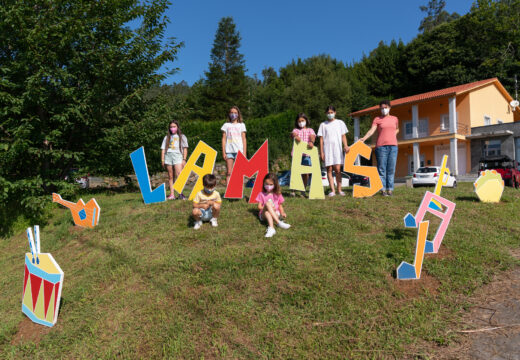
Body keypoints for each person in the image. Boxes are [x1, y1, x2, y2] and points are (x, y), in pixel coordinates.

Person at [359, 100, 399, 196]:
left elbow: (397, 128)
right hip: (381, 147)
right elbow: (372, 130)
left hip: (393, 146)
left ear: (389, 107)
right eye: (382, 108)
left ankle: (390, 189)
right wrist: (364, 138)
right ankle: (383, 190)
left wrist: (394, 134)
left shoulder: (395, 119)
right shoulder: (377, 119)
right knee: (382, 169)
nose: (384, 109)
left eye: (385, 107)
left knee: (391, 169)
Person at [318, 106, 349, 197]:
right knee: (329, 169)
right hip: (327, 150)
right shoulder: (323, 125)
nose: (330, 114)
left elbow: (343, 136)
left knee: (338, 169)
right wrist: (322, 152)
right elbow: (321, 139)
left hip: (337, 150)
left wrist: (346, 145)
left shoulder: (340, 123)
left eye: (331, 112)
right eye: (328, 113)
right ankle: (332, 190)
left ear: (335, 112)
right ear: (326, 114)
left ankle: (339, 189)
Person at [256, 173, 291, 238]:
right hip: (263, 214)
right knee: (267, 205)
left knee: (268, 212)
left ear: (275, 184)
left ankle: (271, 228)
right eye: (266, 184)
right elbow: (259, 206)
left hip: (275, 213)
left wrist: (282, 212)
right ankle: (279, 222)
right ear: (263, 183)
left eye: (271, 184)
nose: (268, 186)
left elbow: (280, 205)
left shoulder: (277, 194)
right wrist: (267, 207)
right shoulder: (261, 194)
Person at [161, 120, 188, 200]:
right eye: (171, 127)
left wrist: (184, 159)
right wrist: (162, 160)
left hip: (178, 156)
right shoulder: (166, 137)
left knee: (179, 175)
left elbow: (185, 148)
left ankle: (180, 193)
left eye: (174, 126)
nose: (172, 128)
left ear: (177, 127)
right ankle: (172, 194)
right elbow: (163, 149)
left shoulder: (182, 137)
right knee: (170, 176)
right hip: (168, 156)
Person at [291, 113, 316, 197]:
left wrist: (311, 142)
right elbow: (293, 134)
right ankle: (293, 190)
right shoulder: (296, 130)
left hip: (307, 154)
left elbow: (312, 136)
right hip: (297, 154)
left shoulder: (310, 130)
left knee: (306, 173)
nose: (301, 122)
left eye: (302, 120)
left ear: (306, 121)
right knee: (296, 172)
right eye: (299, 121)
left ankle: (303, 190)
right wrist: (295, 136)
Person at [221, 106, 247, 185]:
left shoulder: (242, 125)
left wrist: (244, 153)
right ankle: (228, 191)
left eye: (235, 113)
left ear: (238, 114)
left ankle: (238, 191)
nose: (233, 114)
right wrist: (223, 152)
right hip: (229, 151)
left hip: (239, 151)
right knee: (229, 172)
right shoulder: (226, 125)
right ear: (229, 114)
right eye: (232, 113)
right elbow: (223, 139)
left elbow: (244, 139)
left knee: (239, 173)